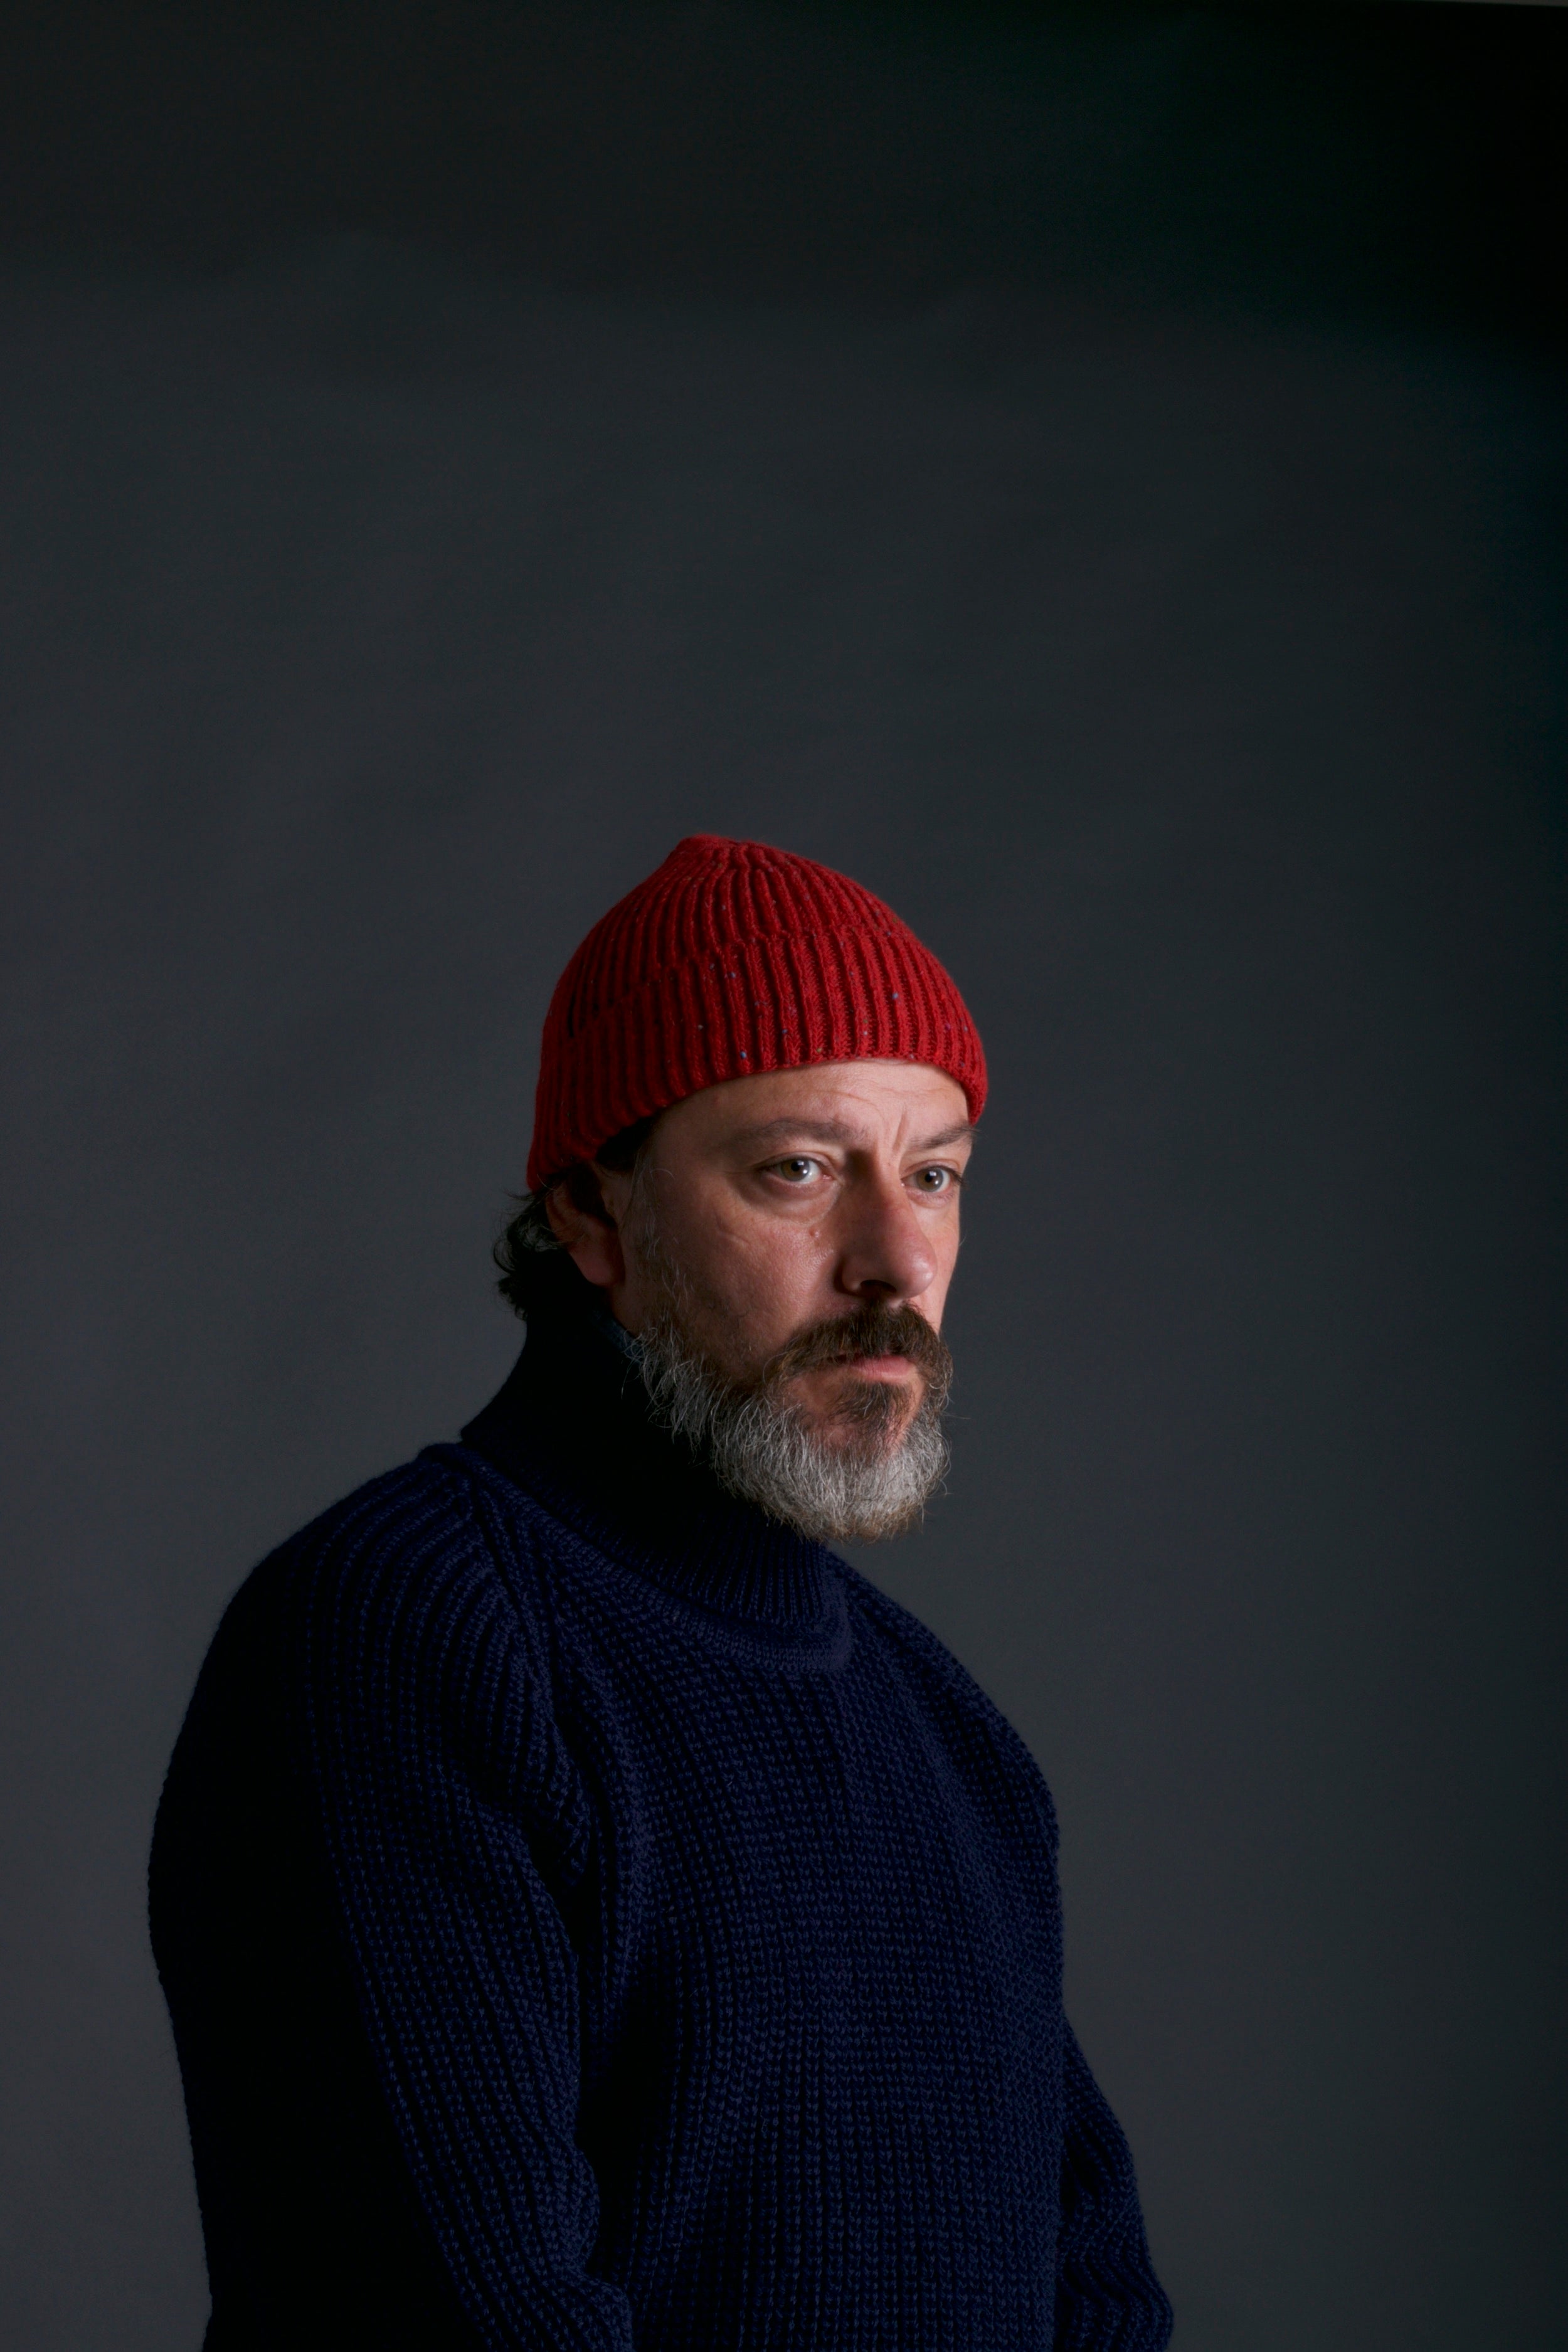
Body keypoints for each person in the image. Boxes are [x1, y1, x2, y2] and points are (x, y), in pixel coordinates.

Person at [151, 833, 1173, 2350]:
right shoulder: (401, 1633)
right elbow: (461, 2323)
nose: (894, 1259)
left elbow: (1092, 2300)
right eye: (799, 1170)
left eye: (936, 1174)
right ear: (590, 1216)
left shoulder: (950, 1737)